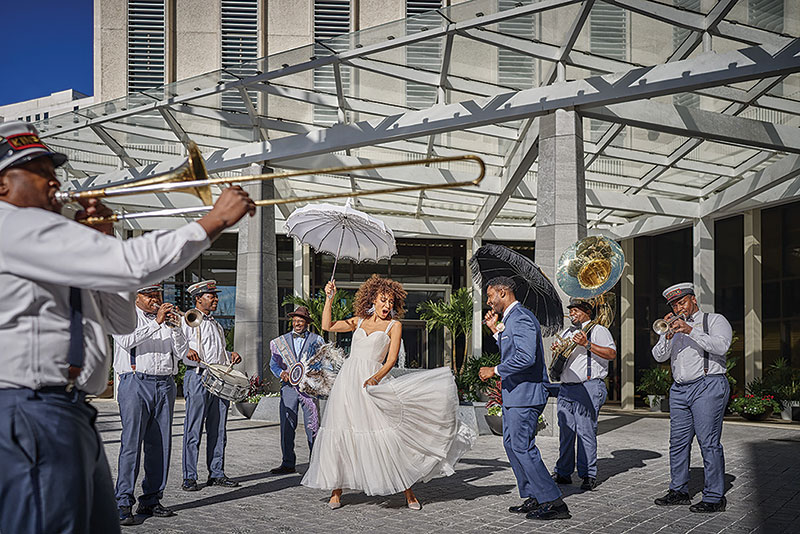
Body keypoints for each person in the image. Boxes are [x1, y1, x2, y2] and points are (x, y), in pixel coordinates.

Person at [0, 120, 255, 534]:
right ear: (3, 187)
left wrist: (104, 239)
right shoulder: (13, 224)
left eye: (53, 171)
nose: (53, 181)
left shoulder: (49, 239)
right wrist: (211, 223)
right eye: (39, 171)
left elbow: (117, 316)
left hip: (64, 408)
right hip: (30, 406)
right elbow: (131, 266)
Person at [301, 274, 475, 510]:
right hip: (348, 382)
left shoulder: (395, 325)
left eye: (391, 302)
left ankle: (408, 491)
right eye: (383, 300)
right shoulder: (359, 321)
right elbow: (327, 326)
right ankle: (336, 490)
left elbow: (392, 359)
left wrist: (375, 377)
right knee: (342, 432)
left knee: (385, 436)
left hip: (373, 384)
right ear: (372, 299)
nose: (387, 305)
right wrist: (329, 298)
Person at [479, 276, 570, 521]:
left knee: (522, 446)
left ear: (502, 292)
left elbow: (526, 358)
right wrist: (495, 332)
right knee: (511, 444)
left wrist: (494, 370)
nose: (488, 302)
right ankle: (535, 494)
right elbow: (514, 349)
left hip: (526, 395)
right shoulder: (510, 320)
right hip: (514, 395)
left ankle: (553, 501)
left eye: (490, 296)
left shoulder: (521, 318)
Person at [652, 283, 732, 513]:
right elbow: (659, 357)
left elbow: (721, 346)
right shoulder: (672, 327)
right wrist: (667, 335)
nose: (679, 307)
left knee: (708, 442)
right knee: (677, 442)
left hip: (707, 385)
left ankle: (715, 496)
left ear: (693, 300)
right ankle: (678, 491)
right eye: (675, 304)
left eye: (682, 302)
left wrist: (690, 330)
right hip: (679, 389)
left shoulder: (714, 320)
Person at [112, 284, 188, 525]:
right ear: (135, 296)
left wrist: (175, 328)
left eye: (158, 295)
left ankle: (151, 498)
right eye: (149, 295)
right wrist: (156, 322)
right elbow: (126, 341)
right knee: (132, 444)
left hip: (165, 384)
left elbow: (183, 353)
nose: (155, 299)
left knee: (160, 445)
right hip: (135, 381)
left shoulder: (168, 320)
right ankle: (123, 501)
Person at [181, 279, 243, 491]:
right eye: (211, 296)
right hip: (197, 377)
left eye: (215, 295)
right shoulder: (187, 321)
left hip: (218, 378)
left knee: (218, 429)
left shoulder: (216, 325)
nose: (216, 298)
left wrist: (229, 355)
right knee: (193, 428)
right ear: (198, 299)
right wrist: (185, 352)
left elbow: (215, 354)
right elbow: (179, 347)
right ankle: (189, 476)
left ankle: (216, 473)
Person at [550, 298, 616, 491]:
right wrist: (557, 351)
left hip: (588, 386)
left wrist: (587, 344)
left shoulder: (599, 330)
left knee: (585, 431)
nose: (572, 313)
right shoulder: (567, 332)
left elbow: (611, 354)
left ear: (587, 311)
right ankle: (563, 472)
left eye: (577, 310)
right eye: (571, 310)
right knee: (566, 432)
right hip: (567, 387)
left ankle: (588, 474)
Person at [269, 306, 325, 474]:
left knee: (312, 425)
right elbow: (273, 364)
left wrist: (317, 377)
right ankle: (287, 463)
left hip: (308, 388)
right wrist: (281, 373)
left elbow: (324, 363)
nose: (297, 323)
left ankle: (315, 464)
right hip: (288, 388)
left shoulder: (317, 340)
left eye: (300, 321)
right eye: (295, 320)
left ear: (307, 323)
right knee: (287, 424)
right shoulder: (281, 342)